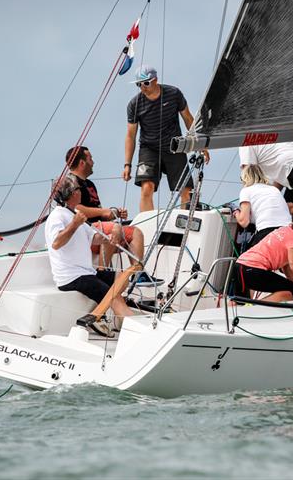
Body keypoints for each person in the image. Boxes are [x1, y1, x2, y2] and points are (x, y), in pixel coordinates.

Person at [44, 174, 134, 337]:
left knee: (122, 277)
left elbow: (95, 238)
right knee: (110, 294)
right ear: (72, 194)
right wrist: (75, 224)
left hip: (86, 273)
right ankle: (134, 327)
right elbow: (56, 243)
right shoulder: (58, 216)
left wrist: (115, 230)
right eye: (79, 189)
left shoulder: (74, 214)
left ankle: (103, 317)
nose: (82, 192)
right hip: (71, 277)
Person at [122, 66, 209, 212]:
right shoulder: (134, 104)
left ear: (155, 80)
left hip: (173, 146)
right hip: (149, 149)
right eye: (139, 84)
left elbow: (188, 119)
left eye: (146, 83)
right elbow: (130, 135)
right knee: (146, 188)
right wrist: (127, 164)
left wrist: (200, 144)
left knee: (186, 190)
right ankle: (145, 230)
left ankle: (184, 230)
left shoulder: (174, 94)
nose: (142, 87)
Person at [232, 203, 293, 302]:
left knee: (239, 303)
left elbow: (287, 266)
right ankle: (255, 309)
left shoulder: (284, 229)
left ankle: (248, 310)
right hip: (253, 270)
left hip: (239, 266)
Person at [65, 146, 144, 269]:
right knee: (114, 229)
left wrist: (114, 213)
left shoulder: (90, 184)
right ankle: (103, 273)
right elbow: (76, 209)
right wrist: (105, 211)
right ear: (82, 163)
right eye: (90, 158)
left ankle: (138, 275)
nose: (93, 162)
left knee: (136, 232)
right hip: (81, 231)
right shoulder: (69, 182)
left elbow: (99, 212)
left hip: (98, 230)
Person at [233, 164, 291, 249]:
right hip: (289, 232)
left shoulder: (246, 191)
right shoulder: (274, 189)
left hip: (269, 231)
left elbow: (244, 222)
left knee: (248, 261)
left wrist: (236, 212)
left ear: (244, 178)